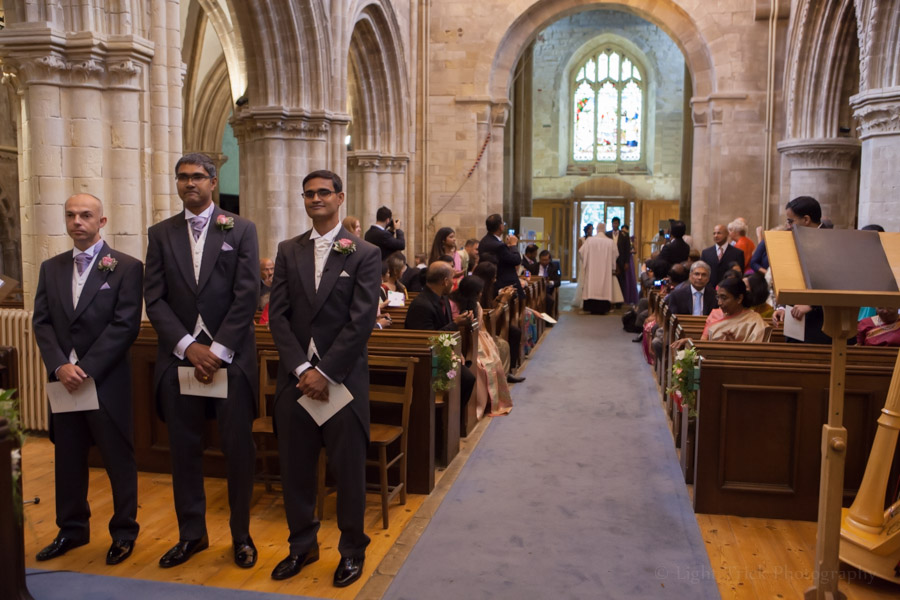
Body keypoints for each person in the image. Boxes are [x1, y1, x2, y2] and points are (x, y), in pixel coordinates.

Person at [144, 153, 260, 569]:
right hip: (179, 361)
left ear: (213, 182)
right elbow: (153, 298)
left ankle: (242, 535)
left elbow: (247, 293)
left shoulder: (241, 228)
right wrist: (187, 346)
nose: (189, 183)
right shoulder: (161, 234)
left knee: (237, 450)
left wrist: (218, 349)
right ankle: (191, 534)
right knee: (184, 450)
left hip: (230, 360)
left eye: (197, 177)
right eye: (182, 178)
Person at [267, 169, 380, 587]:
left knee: (348, 472)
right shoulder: (288, 250)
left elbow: (361, 320)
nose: (316, 199)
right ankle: (302, 546)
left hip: (343, 381)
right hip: (295, 382)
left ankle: (351, 550)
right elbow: (277, 315)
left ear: (340, 197)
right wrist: (301, 369)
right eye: (309, 194)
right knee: (295, 469)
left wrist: (326, 371)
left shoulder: (364, 253)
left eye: (323, 193)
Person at [32, 193, 142, 566]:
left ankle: (124, 531)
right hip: (63, 381)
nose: (77, 221)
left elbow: (125, 324)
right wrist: (60, 365)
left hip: (105, 380)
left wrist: (87, 367)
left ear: (102, 221)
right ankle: (72, 528)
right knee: (68, 457)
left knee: (117, 458)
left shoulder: (126, 267)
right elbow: (42, 321)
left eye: (85, 215)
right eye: (71, 215)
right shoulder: (51, 267)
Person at [405, 262, 478, 401]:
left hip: (440, 353)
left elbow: (443, 329)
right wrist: (456, 324)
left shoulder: (442, 298)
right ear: (445, 281)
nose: (454, 281)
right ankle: (448, 420)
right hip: (426, 361)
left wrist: (456, 351)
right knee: (466, 379)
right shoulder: (422, 305)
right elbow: (427, 340)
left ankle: (455, 419)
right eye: (452, 278)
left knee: (467, 371)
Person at [449, 276, 513, 417]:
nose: (481, 294)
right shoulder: (452, 303)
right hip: (467, 341)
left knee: (493, 360)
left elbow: (481, 326)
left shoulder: (473, 305)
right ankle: (480, 403)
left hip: (474, 338)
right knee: (484, 364)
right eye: (480, 291)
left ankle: (491, 399)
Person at [772, 196, 830, 344]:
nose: (787, 226)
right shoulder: (794, 242)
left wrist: (812, 304)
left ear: (806, 219)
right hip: (796, 324)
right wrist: (784, 307)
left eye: (790, 221)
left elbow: (837, 282)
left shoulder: (833, 242)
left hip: (821, 326)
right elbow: (793, 278)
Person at [673, 276, 767, 347]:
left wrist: (735, 346)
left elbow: (757, 352)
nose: (719, 303)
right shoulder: (715, 314)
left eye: (724, 298)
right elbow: (704, 344)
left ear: (739, 298)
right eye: (718, 297)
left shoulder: (754, 320)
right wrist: (690, 342)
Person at [473, 261, 525, 380]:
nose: (495, 280)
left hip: (485, 327)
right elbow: (489, 318)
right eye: (494, 277)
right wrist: (502, 302)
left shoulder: (486, 289)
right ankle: (501, 378)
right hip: (481, 330)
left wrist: (499, 297)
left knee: (514, 333)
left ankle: (506, 373)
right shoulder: (476, 289)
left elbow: (488, 309)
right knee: (503, 345)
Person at [579, 222, 621, 314]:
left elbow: (581, 252)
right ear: (605, 230)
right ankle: (604, 308)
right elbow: (616, 254)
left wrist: (588, 261)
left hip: (592, 270)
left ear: (597, 230)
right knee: (604, 287)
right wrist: (611, 264)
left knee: (591, 286)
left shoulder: (590, 240)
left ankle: (590, 307)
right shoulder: (610, 242)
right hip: (605, 271)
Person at [479, 214, 523, 298]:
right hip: (504, 283)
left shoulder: (484, 241)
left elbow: (503, 257)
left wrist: (508, 247)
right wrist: (513, 245)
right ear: (500, 227)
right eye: (503, 223)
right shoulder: (498, 245)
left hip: (492, 282)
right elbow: (516, 260)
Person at [700, 224, 745, 288]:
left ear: (727, 234)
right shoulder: (706, 253)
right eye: (714, 233)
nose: (716, 236)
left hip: (730, 289)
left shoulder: (737, 253)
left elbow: (740, 274)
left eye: (719, 233)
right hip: (709, 290)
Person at [527, 249, 560, 316]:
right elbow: (526, 274)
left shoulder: (554, 267)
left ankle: (546, 320)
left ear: (549, 259)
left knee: (549, 301)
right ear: (539, 259)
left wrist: (551, 283)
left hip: (547, 291)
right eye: (542, 260)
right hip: (534, 291)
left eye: (546, 260)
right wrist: (527, 276)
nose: (544, 262)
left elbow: (558, 282)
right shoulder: (533, 267)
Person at [606, 217, 632, 302]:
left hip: (621, 260)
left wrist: (627, 262)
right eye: (613, 223)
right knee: (610, 279)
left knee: (621, 280)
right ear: (612, 224)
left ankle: (620, 300)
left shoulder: (624, 235)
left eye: (616, 223)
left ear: (618, 224)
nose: (615, 225)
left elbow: (627, 249)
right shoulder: (607, 234)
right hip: (610, 260)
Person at [573, 223, 594, 308]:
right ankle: (581, 299)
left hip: (591, 261)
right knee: (582, 277)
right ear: (586, 230)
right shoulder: (581, 239)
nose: (591, 231)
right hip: (583, 260)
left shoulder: (593, 239)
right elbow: (579, 250)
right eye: (590, 229)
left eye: (592, 229)